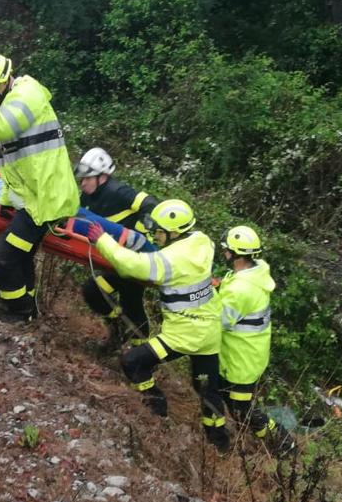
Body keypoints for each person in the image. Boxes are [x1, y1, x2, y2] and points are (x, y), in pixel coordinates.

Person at [85, 199, 229, 452]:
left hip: (184, 336)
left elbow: (130, 264)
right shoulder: (203, 242)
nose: (156, 234)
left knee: (133, 362)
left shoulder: (170, 259)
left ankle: (156, 406)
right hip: (209, 332)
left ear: (174, 232)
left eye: (160, 230)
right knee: (207, 390)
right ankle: (219, 444)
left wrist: (102, 239)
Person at [0, 52, 79, 320]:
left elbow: (5, 127)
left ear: (1, 82)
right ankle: (29, 310)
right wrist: (6, 200)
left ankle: (20, 312)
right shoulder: (11, 103)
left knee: (3, 257)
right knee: (21, 255)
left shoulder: (26, 93)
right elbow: (13, 166)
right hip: (33, 198)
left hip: (46, 199)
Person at [0, 166, 155, 253]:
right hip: (59, 217)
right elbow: (14, 201)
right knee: (112, 232)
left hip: (58, 205)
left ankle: (147, 248)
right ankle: (147, 250)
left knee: (103, 224)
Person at [74, 147, 161, 349]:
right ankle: (123, 332)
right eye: (82, 179)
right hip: (115, 258)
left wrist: (143, 231)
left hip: (136, 258)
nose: (83, 183)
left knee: (102, 292)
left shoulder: (119, 191)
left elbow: (151, 205)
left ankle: (136, 349)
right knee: (128, 301)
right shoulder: (88, 196)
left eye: (88, 178)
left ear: (103, 176)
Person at [216, 226, 290, 450]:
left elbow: (219, 321)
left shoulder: (241, 289)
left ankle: (282, 443)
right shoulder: (253, 275)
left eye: (226, 249)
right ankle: (265, 440)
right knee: (232, 401)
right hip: (246, 354)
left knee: (242, 409)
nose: (224, 252)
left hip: (241, 361)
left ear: (234, 253)